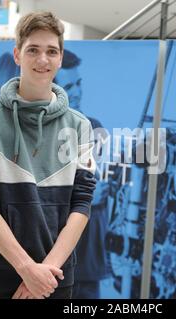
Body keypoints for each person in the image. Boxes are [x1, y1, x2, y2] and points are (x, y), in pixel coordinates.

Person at [0, 11, 96, 299]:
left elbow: (81, 205)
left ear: (60, 58)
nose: (43, 59)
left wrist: (44, 272)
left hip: (55, 277)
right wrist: (27, 269)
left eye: (51, 51)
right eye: (33, 50)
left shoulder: (80, 126)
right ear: (17, 55)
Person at [54, 49, 110, 299]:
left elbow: (96, 188)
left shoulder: (94, 126)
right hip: (49, 251)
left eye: (78, 83)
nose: (77, 91)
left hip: (86, 257)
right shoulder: (38, 131)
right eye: (69, 86)